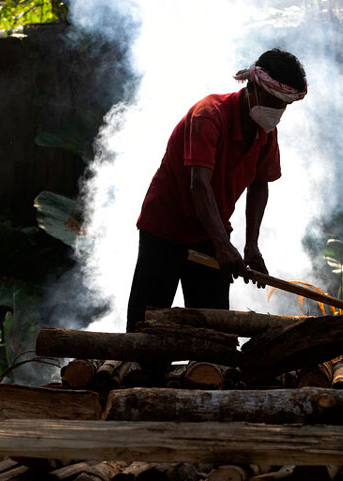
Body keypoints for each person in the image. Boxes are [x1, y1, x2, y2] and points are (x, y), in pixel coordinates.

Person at [125, 48, 307, 332]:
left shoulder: (266, 132)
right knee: (146, 323)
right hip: (165, 229)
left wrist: (251, 246)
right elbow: (199, 184)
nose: (277, 112)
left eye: (283, 106)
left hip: (212, 231)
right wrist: (223, 245)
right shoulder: (209, 115)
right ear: (252, 87)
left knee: (213, 332)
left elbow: (260, 184)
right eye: (273, 101)